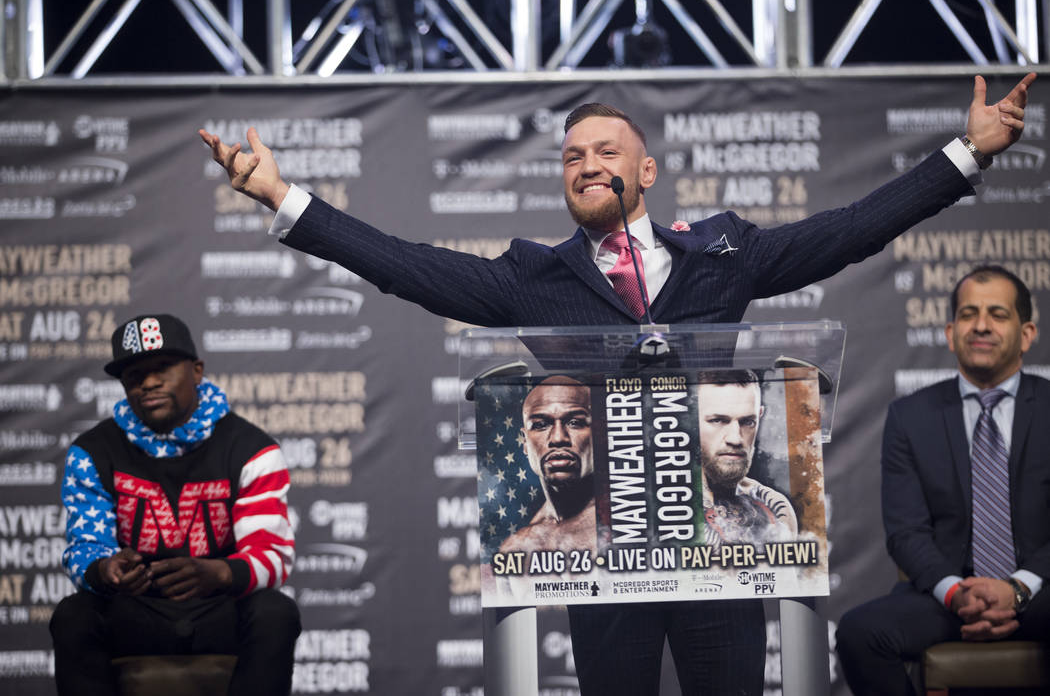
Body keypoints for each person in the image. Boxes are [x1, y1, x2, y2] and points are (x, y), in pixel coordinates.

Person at [200, 73, 1034, 696]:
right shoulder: (534, 278)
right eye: (572, 156)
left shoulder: (723, 253)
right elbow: (402, 265)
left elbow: (851, 231)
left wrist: (966, 154)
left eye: (606, 152)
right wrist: (281, 195)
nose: (587, 164)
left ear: (647, 170)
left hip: (720, 555)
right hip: (605, 561)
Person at [49, 314, 300, 696]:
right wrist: (105, 570)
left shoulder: (253, 449)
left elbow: (272, 556)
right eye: (134, 374)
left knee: (275, 612)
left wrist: (220, 573)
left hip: (219, 608)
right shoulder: (91, 452)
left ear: (197, 371)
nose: (148, 383)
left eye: (162, 368)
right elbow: (84, 549)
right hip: (136, 611)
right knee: (74, 615)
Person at [836, 265, 1050, 696]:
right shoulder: (910, 417)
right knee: (860, 633)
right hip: (950, 596)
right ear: (951, 334)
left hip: (1041, 589)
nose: (981, 325)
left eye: (998, 314)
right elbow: (906, 531)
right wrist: (957, 595)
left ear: (1027, 334)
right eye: (969, 314)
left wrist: (1017, 588)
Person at [697, 370, 796, 549]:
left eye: (747, 422)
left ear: (759, 416)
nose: (736, 439)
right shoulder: (661, 504)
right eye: (718, 420)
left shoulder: (774, 506)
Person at [499, 375, 596, 556]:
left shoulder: (626, 523)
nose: (558, 438)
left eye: (575, 423)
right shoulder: (516, 548)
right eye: (540, 425)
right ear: (525, 442)